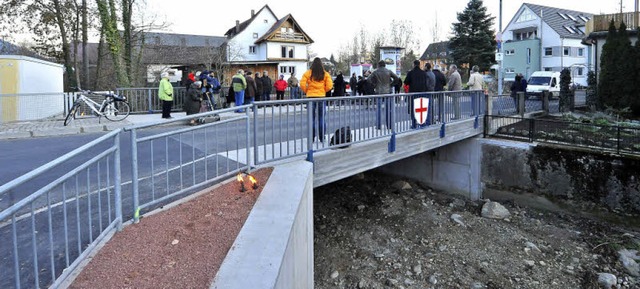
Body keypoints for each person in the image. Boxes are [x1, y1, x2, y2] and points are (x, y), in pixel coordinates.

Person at [300, 57, 333, 142]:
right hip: (321, 97)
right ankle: (322, 137)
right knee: (321, 118)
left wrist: (307, 91)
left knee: (311, 118)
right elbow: (329, 86)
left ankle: (312, 138)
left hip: (310, 97)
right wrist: (323, 91)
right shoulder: (325, 74)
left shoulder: (308, 73)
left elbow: (302, 84)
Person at [369, 60, 400, 128]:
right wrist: (391, 85)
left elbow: (368, 79)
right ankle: (389, 125)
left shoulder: (375, 72)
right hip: (387, 92)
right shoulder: (388, 71)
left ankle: (378, 125)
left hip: (379, 92)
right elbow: (397, 78)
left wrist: (374, 85)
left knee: (378, 109)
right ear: (385, 65)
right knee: (388, 109)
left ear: (378, 65)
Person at [404, 60, 428, 128]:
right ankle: (422, 123)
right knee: (421, 109)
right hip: (422, 93)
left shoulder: (411, 73)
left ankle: (414, 124)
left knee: (413, 109)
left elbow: (406, 82)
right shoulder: (423, 73)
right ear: (419, 65)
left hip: (413, 93)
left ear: (414, 65)